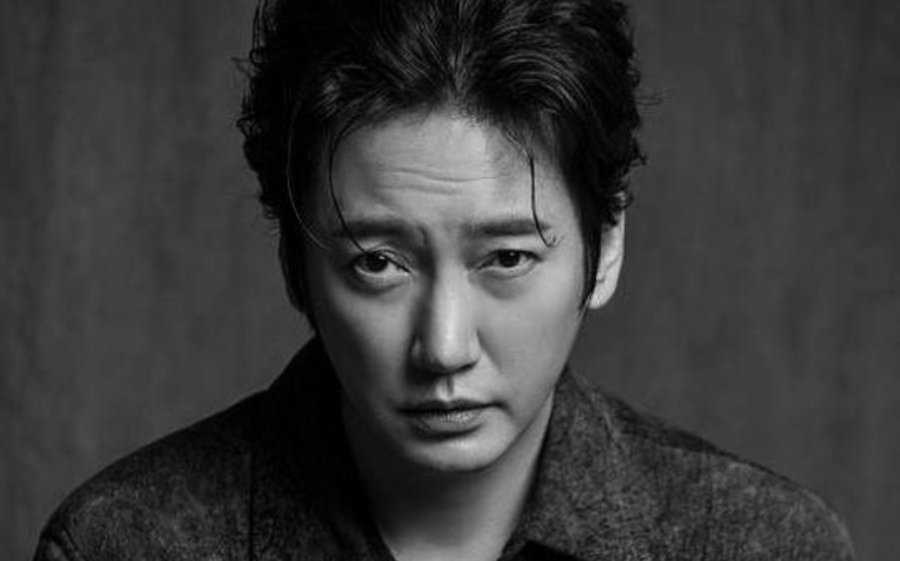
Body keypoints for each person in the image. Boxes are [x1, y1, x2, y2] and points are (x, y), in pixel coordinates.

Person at [33, 0, 855, 559]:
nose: (445, 346)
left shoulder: (759, 542)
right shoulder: (125, 543)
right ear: (295, 264)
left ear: (605, 248)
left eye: (507, 258)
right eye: (378, 262)